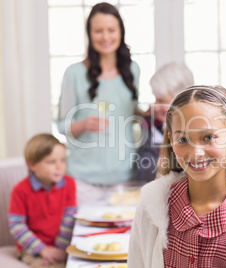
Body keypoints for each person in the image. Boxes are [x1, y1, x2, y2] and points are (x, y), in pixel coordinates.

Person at [128, 85, 226, 267]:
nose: (196, 153)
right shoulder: (149, 209)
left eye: (208, 137)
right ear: (171, 141)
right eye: (182, 139)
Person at [57, 2, 140, 205]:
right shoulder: (74, 73)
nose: (105, 37)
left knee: (124, 236)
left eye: (111, 30)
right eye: (98, 31)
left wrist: (147, 114)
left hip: (125, 176)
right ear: (89, 34)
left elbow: (128, 113)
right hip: (84, 181)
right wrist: (84, 124)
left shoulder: (133, 70)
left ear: (120, 32)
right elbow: (62, 125)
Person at [8, 134, 76, 268]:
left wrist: (58, 250)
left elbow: (69, 219)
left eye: (62, 160)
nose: (59, 166)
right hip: (32, 249)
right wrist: (43, 250)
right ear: (32, 165)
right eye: (51, 162)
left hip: (62, 246)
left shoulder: (69, 183)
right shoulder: (20, 190)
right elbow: (16, 225)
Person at [134, 62, 194, 183]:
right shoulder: (152, 125)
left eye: (161, 100)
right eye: (155, 98)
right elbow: (142, 174)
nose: (155, 106)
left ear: (181, 99)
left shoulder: (197, 128)